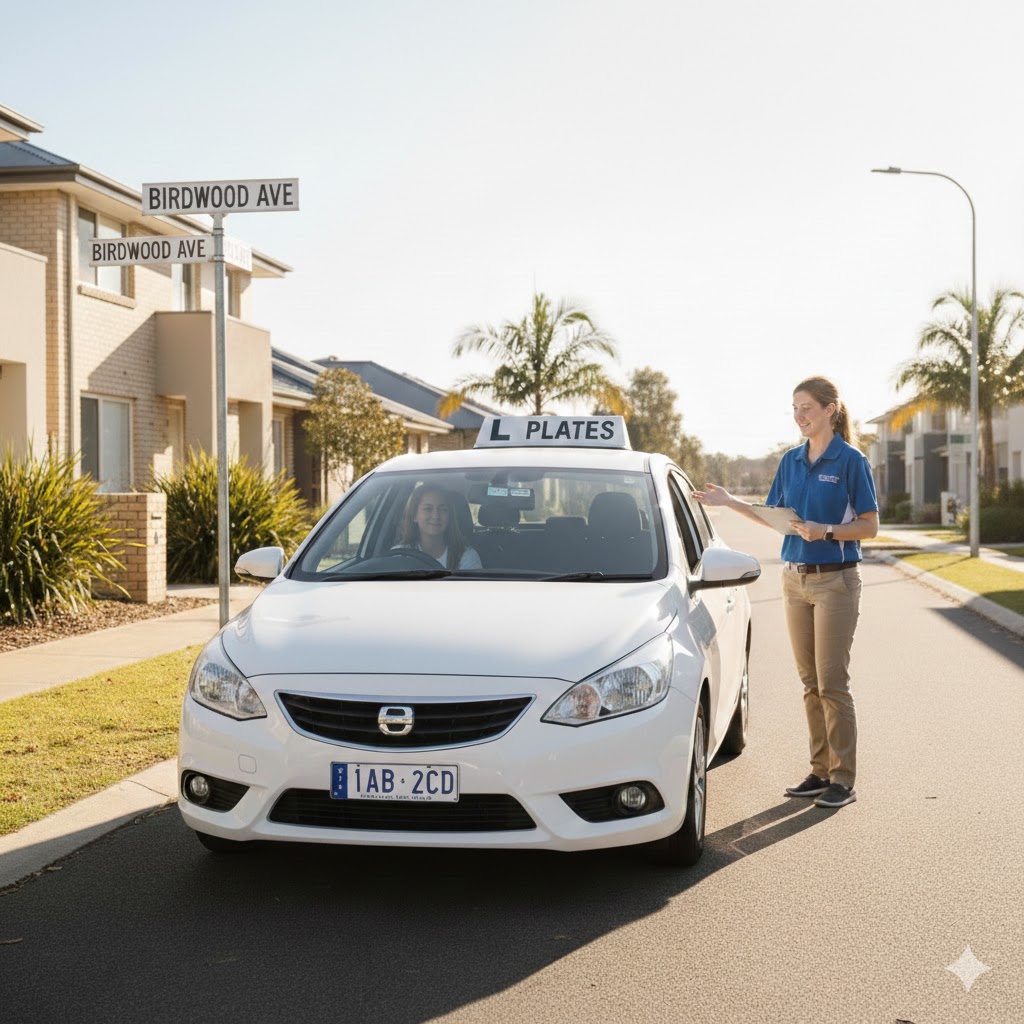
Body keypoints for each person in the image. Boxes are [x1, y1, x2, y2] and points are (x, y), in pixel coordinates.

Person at [693, 376, 878, 809]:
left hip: (836, 580)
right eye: (794, 408)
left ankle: (843, 779)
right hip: (794, 580)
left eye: (807, 407)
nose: (799, 415)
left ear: (831, 409)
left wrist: (826, 531)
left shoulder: (851, 460)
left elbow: (870, 526)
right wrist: (731, 501)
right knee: (810, 682)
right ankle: (819, 771)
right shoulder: (791, 461)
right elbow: (774, 514)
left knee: (832, 683)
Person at [399, 484, 483, 570]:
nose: (436, 516)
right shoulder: (399, 556)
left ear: (450, 516)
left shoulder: (466, 557)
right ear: (414, 515)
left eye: (443, 509)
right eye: (428, 509)